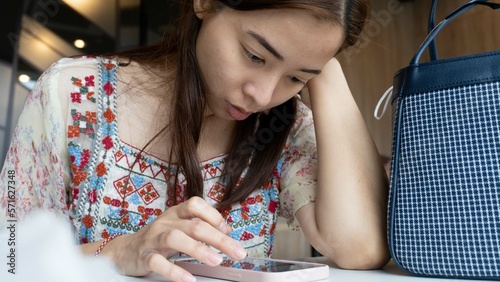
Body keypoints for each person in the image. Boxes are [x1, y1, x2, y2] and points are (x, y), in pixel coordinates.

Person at [0, 0, 390, 281]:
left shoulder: (285, 130)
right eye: (255, 56)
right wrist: (119, 251)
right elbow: (10, 256)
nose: (264, 95)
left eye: (296, 78)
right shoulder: (74, 93)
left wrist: (324, 68)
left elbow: (362, 248)